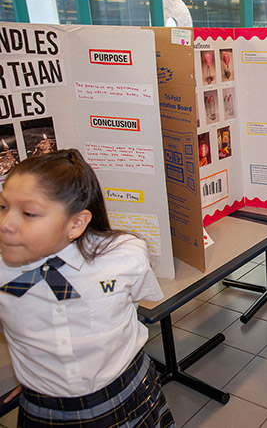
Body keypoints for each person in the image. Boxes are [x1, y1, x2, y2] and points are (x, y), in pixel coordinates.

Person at [0, 149, 174, 427]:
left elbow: (133, 304)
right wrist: (42, 379)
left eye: (29, 213)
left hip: (126, 394)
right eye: (3, 207)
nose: (6, 224)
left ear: (76, 222)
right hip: (46, 409)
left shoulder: (124, 255)